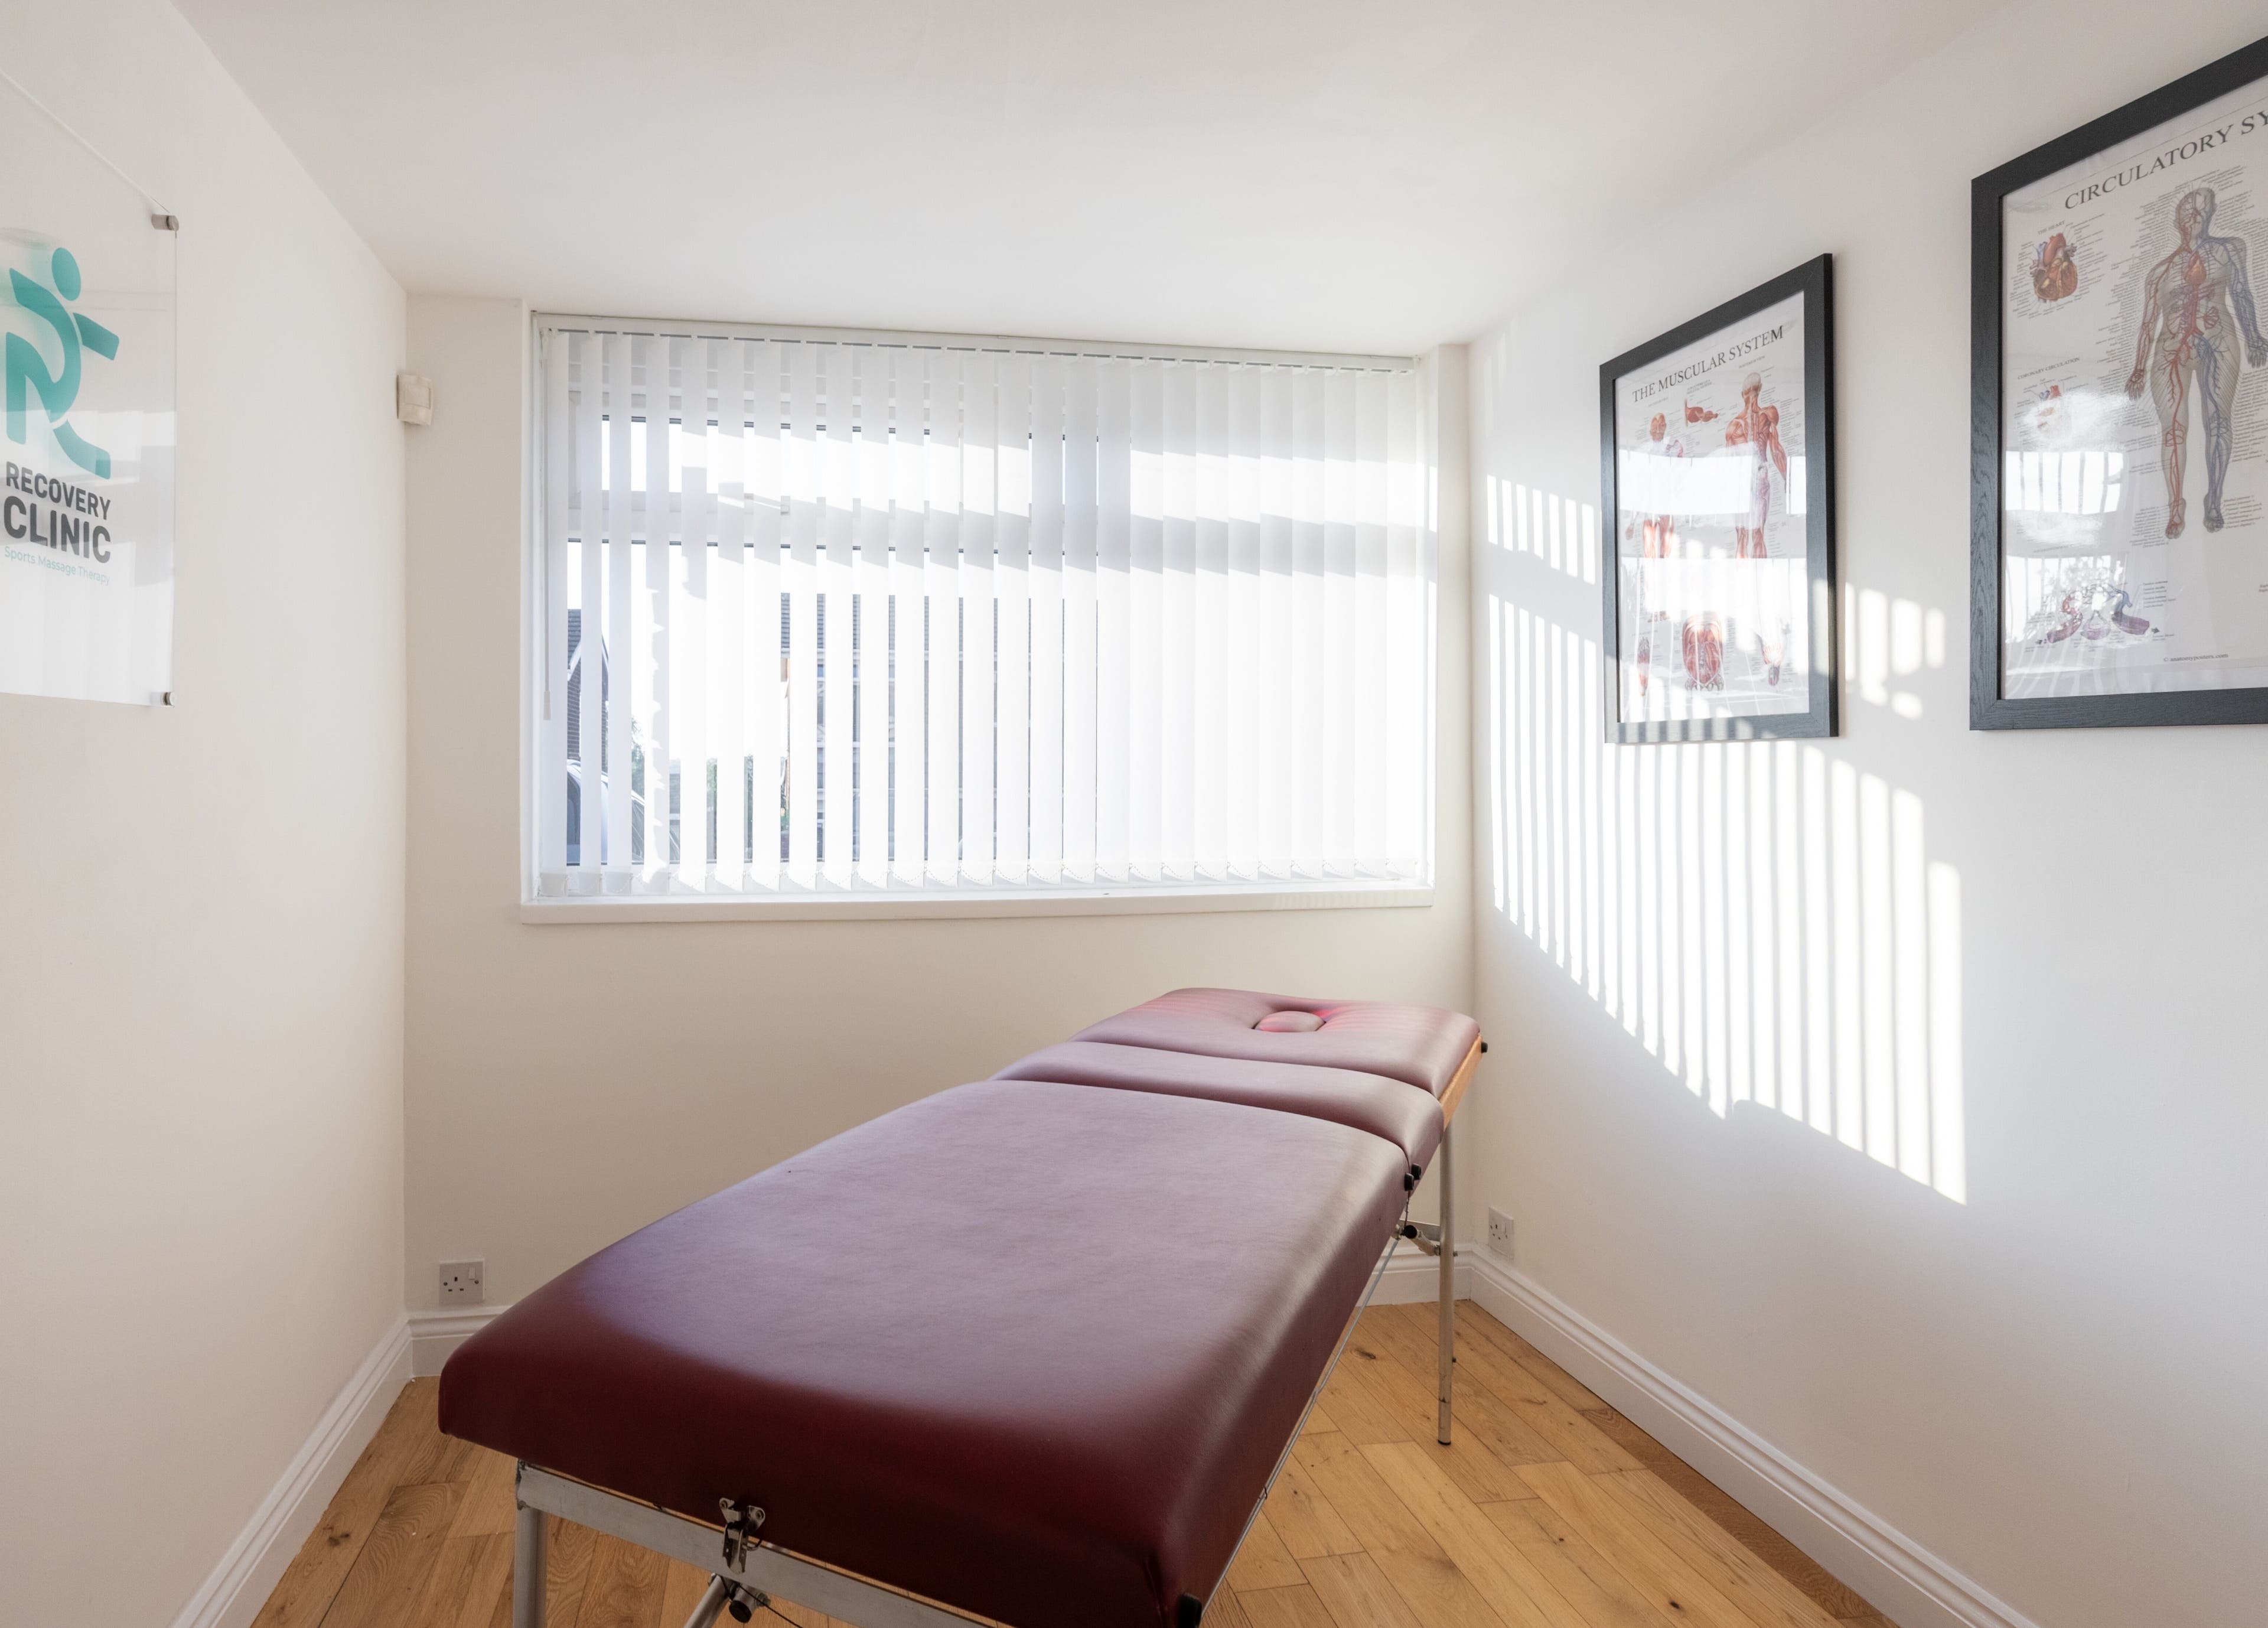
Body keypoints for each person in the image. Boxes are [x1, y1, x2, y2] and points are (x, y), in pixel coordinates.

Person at [2126, 187, 2268, 536]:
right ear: (2178, 220)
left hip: (2217, 339)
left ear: (2211, 215)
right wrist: (2138, 368)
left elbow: (2241, 293)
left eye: (2201, 211)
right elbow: (2147, 324)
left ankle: (2215, 497)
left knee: (2218, 420)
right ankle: (2176, 504)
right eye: (2188, 212)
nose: (2194, 217)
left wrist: (2254, 337)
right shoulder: (2159, 273)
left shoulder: (2229, 250)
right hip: (2170, 348)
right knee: (2173, 429)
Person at [1722, 373, 1786, 558]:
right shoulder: (1769, 415)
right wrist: (1786, 479)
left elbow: (1729, 464)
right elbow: (1776, 450)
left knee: (1742, 536)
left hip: (1742, 481)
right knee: (1758, 534)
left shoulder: (1733, 426)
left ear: (1743, 394)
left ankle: (1743, 584)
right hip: (1759, 475)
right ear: (1760, 389)